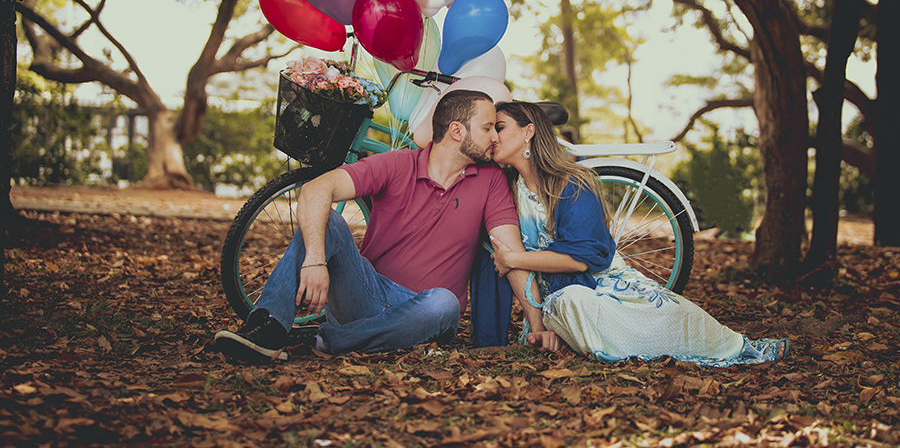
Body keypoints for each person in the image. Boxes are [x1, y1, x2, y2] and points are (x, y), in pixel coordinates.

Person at [215, 90, 562, 361]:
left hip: (427, 311)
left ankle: (328, 340)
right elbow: (317, 188)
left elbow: (510, 251)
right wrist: (316, 260)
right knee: (331, 221)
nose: (494, 138)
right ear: (457, 131)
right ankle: (267, 330)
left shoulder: (490, 180)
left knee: (444, 304)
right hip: (366, 292)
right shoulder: (398, 164)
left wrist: (537, 325)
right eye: (487, 128)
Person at [488, 101, 788, 366]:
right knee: (570, 302)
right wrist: (537, 323)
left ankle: (733, 348)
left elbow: (581, 260)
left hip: (609, 284)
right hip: (559, 301)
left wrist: (514, 258)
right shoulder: (509, 192)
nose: (492, 137)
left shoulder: (573, 183)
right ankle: (581, 338)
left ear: (529, 132)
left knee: (676, 316)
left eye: (499, 127)